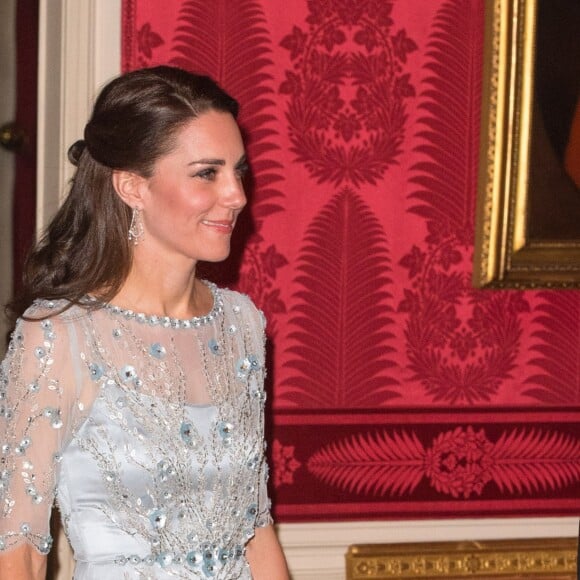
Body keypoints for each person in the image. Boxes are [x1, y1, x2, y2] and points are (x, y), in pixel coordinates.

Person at [0, 66, 289, 579]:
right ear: (133, 186)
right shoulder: (58, 334)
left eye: (238, 170)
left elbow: (255, 526)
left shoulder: (241, 325)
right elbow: (18, 550)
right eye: (207, 172)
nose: (237, 195)